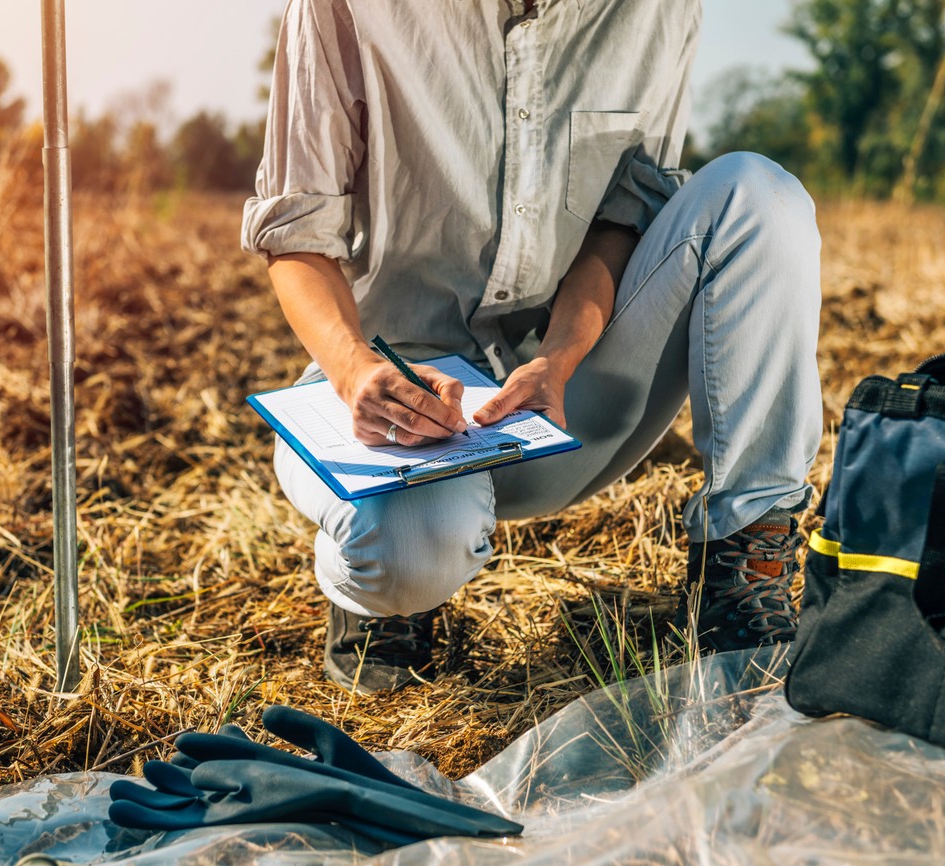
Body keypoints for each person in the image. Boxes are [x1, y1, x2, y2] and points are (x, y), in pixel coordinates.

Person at [241, 0, 822, 694]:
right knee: (404, 559)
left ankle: (744, 563)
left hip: (569, 394)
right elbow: (297, 236)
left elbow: (624, 218)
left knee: (758, 195)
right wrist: (356, 370)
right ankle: (376, 603)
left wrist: (561, 357)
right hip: (392, 393)